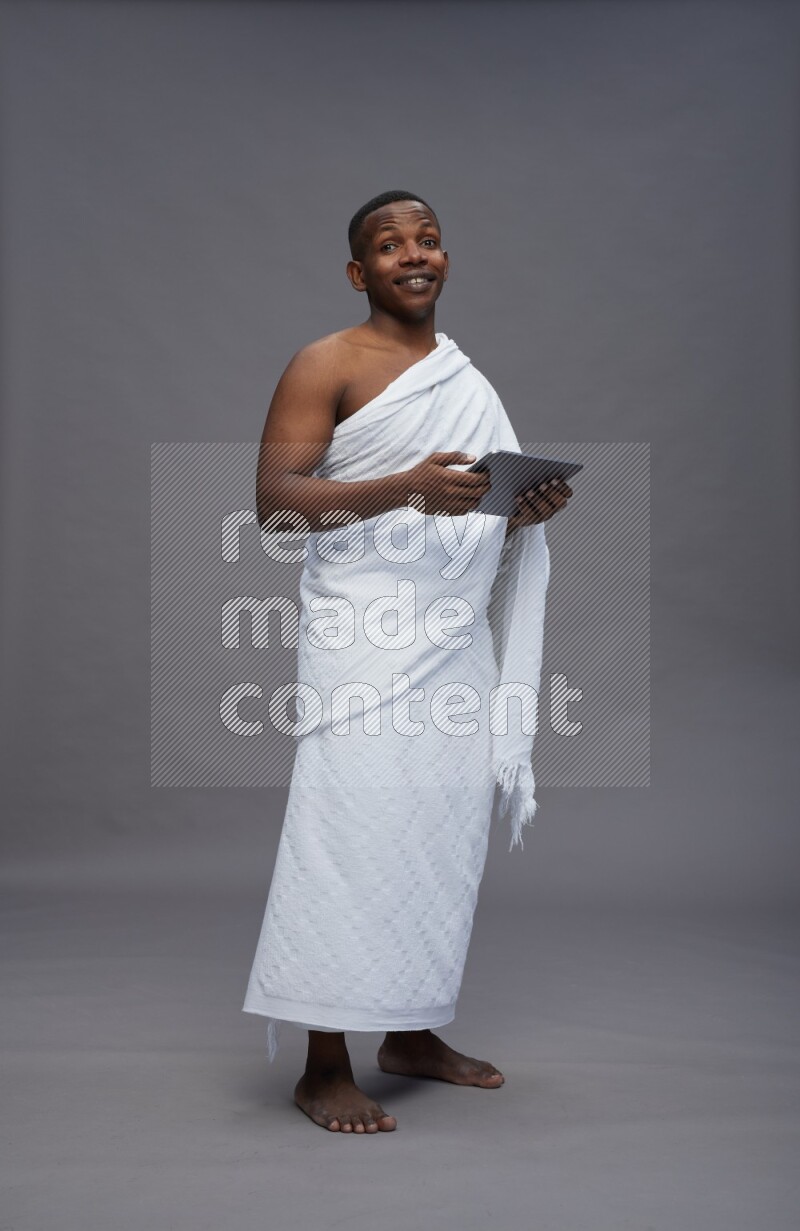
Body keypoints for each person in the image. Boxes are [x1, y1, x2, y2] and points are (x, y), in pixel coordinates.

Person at [242, 190, 572, 1133]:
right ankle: (322, 1063)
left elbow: (474, 499)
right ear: (359, 272)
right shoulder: (327, 363)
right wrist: (404, 490)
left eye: (428, 239)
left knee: (440, 834)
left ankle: (412, 1032)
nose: (414, 254)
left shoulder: (465, 376)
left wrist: (521, 510)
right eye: (390, 245)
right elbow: (273, 502)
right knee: (348, 834)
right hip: (365, 637)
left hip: (451, 639)